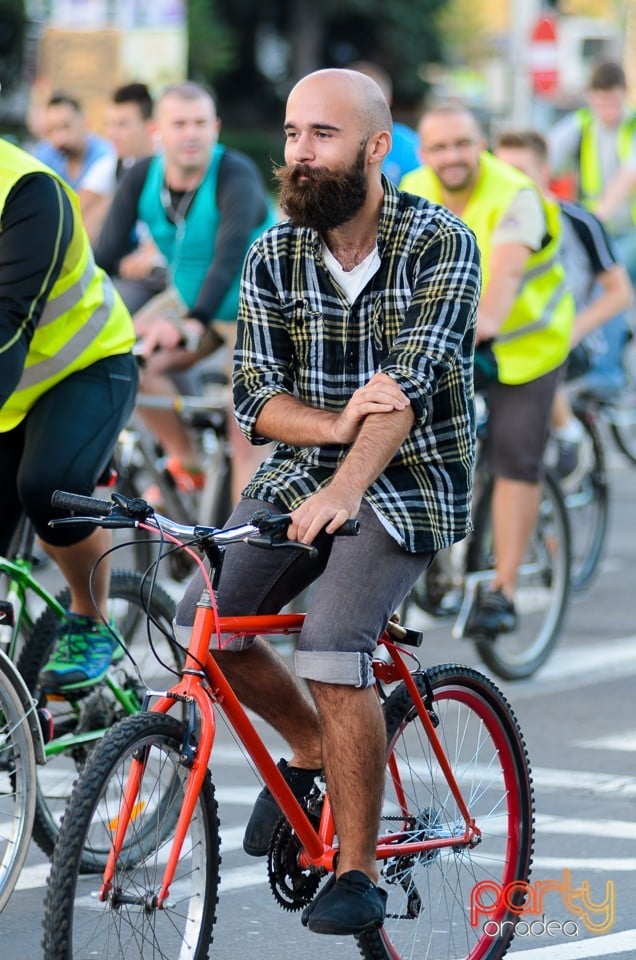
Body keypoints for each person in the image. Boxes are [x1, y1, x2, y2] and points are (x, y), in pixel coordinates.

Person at [174, 68, 479, 936]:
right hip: (300, 474)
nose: (299, 155)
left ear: (378, 148)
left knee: (334, 643)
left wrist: (349, 483)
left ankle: (356, 869)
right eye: (293, 134)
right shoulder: (274, 252)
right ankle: (310, 747)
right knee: (211, 624)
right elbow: (254, 399)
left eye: (323, 136)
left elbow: (406, 390)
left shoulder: (441, 243)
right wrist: (336, 429)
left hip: (414, 476)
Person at [401, 102, 574, 636]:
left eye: (462, 144)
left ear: (483, 144)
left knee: (514, 456)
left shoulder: (516, 194)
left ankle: (502, 591)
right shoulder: (411, 187)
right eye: (439, 147)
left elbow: (501, 287)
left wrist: (473, 324)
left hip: (526, 346)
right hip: (453, 340)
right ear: (423, 152)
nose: (451, 157)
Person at [0, 136, 138, 694]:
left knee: (47, 486)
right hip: (13, 389)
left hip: (84, 366)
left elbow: (9, 323)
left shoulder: (29, 191)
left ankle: (91, 614)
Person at [95, 81, 276, 503]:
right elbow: (105, 252)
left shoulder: (235, 173)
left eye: (200, 123)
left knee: (245, 420)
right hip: (189, 300)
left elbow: (228, 257)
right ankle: (186, 458)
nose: (191, 134)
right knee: (120, 361)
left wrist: (192, 323)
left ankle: (242, 542)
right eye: (180, 124)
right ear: (158, 131)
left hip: (255, 309)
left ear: (215, 128)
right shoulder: (142, 175)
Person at [495, 129, 633, 475]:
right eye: (502, 171)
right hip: (509, 336)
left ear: (545, 173)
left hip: (574, 337)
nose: (510, 181)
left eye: (520, 171)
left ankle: (569, 433)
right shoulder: (492, 221)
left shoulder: (579, 222)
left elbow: (619, 293)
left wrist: (573, 329)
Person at [547, 61, 636, 286]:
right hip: (596, 227)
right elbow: (544, 161)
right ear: (591, 97)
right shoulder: (581, 125)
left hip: (629, 229)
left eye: (614, 101)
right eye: (602, 101)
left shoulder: (632, 126)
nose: (608, 109)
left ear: (624, 95)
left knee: (612, 279)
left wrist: (592, 225)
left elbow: (627, 177)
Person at [79, 82, 156, 243]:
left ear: (150, 126)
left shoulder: (169, 166)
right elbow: (77, 211)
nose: (112, 134)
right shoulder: (112, 164)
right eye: (109, 125)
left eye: (122, 125)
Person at [31, 91, 115, 234]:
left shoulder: (106, 155)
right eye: (51, 130)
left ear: (84, 121)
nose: (60, 137)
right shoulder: (45, 153)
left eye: (66, 126)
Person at [348, 60, 421, 185]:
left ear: (387, 101)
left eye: (371, 100)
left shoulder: (412, 146)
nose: (361, 107)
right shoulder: (320, 144)